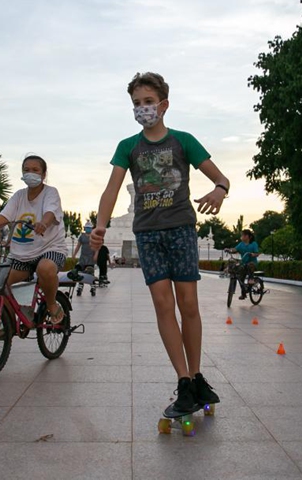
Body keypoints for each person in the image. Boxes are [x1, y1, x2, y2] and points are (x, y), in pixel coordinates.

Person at [90, 72, 230, 413]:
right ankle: (183, 380)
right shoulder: (128, 147)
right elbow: (112, 189)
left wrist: (219, 190)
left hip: (181, 228)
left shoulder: (183, 141)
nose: (142, 109)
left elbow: (220, 176)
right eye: (137, 104)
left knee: (189, 305)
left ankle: (196, 376)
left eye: (148, 102)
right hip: (148, 233)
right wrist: (100, 226)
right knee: (164, 306)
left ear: (163, 104)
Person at [0, 154, 69, 323]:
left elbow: (50, 212)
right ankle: (8, 324)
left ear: (43, 174)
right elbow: (4, 216)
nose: (31, 173)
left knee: (45, 268)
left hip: (50, 248)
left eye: (35, 170)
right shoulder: (19, 196)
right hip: (22, 254)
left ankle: (51, 305)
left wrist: (43, 223)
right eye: (26, 170)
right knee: (0, 283)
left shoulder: (51, 192)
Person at [225, 229, 260, 299]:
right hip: (243, 263)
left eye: (243, 235)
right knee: (241, 277)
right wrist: (229, 250)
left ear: (248, 236)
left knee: (250, 265)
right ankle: (243, 294)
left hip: (252, 263)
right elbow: (235, 249)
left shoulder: (253, 244)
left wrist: (253, 254)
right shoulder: (241, 244)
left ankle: (251, 279)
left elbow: (257, 253)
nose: (242, 237)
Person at [72, 221, 97, 296]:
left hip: (90, 258)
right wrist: (74, 254)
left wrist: (96, 255)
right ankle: (80, 287)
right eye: (87, 228)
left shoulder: (94, 236)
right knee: (81, 273)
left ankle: (93, 287)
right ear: (85, 228)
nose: (88, 229)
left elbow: (96, 247)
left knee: (90, 273)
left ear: (92, 228)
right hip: (83, 258)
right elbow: (78, 246)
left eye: (89, 228)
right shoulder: (82, 237)